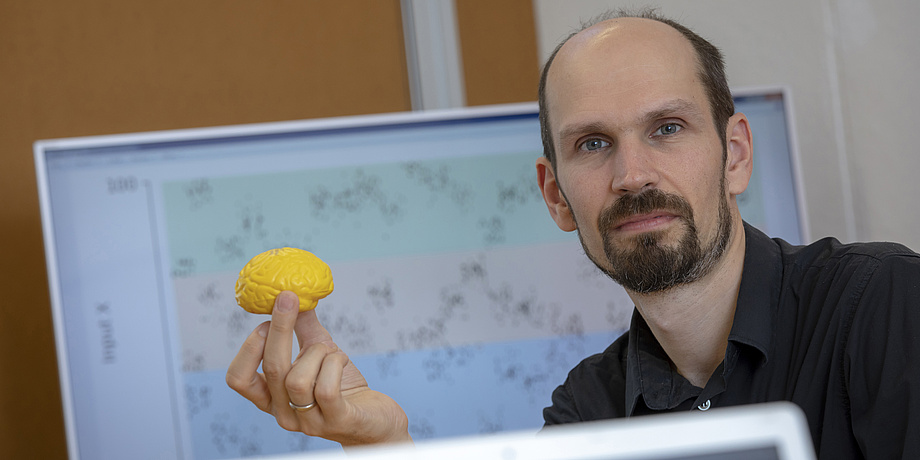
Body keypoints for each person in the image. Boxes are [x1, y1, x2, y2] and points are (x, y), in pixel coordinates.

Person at [226, 8, 920, 458]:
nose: (632, 174)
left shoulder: (885, 306)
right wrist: (387, 445)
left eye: (667, 128)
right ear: (556, 196)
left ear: (735, 154)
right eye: (592, 144)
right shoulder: (586, 415)